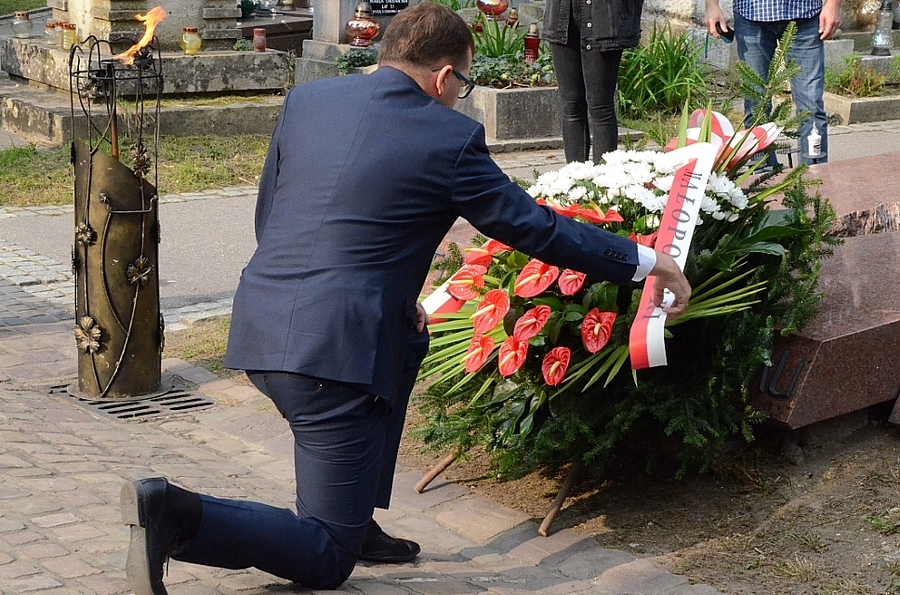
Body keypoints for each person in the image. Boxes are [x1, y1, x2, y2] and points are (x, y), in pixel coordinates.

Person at [119, 3, 692, 594]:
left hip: (262, 317)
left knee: (406, 336)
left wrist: (380, 295)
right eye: (464, 83)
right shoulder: (449, 137)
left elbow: (272, 214)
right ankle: (176, 515)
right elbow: (535, 228)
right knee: (325, 556)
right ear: (444, 77)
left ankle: (356, 518)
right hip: (329, 359)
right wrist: (649, 260)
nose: (460, 96)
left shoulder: (308, 100)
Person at [704, 0, 841, 164]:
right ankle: (762, 175)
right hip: (751, 17)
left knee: (811, 107)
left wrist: (833, 4)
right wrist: (711, 5)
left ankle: (815, 175)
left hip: (806, 14)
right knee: (756, 107)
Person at [542, 0, 644, 163]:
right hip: (562, 15)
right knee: (572, 106)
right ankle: (575, 176)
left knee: (600, 108)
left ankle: (603, 177)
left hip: (604, 18)